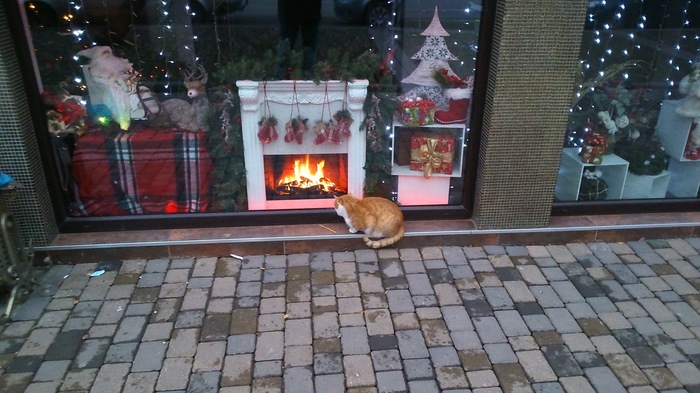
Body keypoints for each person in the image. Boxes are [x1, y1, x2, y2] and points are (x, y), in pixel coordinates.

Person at [275, 0, 322, 79]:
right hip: (289, 10)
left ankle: (308, 74)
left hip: (309, 10)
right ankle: (280, 74)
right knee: (286, 45)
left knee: (308, 46)